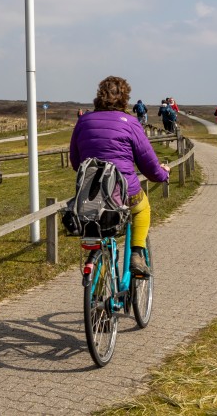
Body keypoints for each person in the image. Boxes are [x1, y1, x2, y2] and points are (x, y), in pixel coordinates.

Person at [69, 76, 170, 277]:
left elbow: (75, 162)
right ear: (125, 97)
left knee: (101, 230)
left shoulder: (83, 121)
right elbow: (149, 164)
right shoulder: (130, 123)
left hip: (92, 194)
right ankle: (137, 254)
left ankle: (99, 278)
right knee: (142, 208)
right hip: (124, 192)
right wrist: (162, 174)